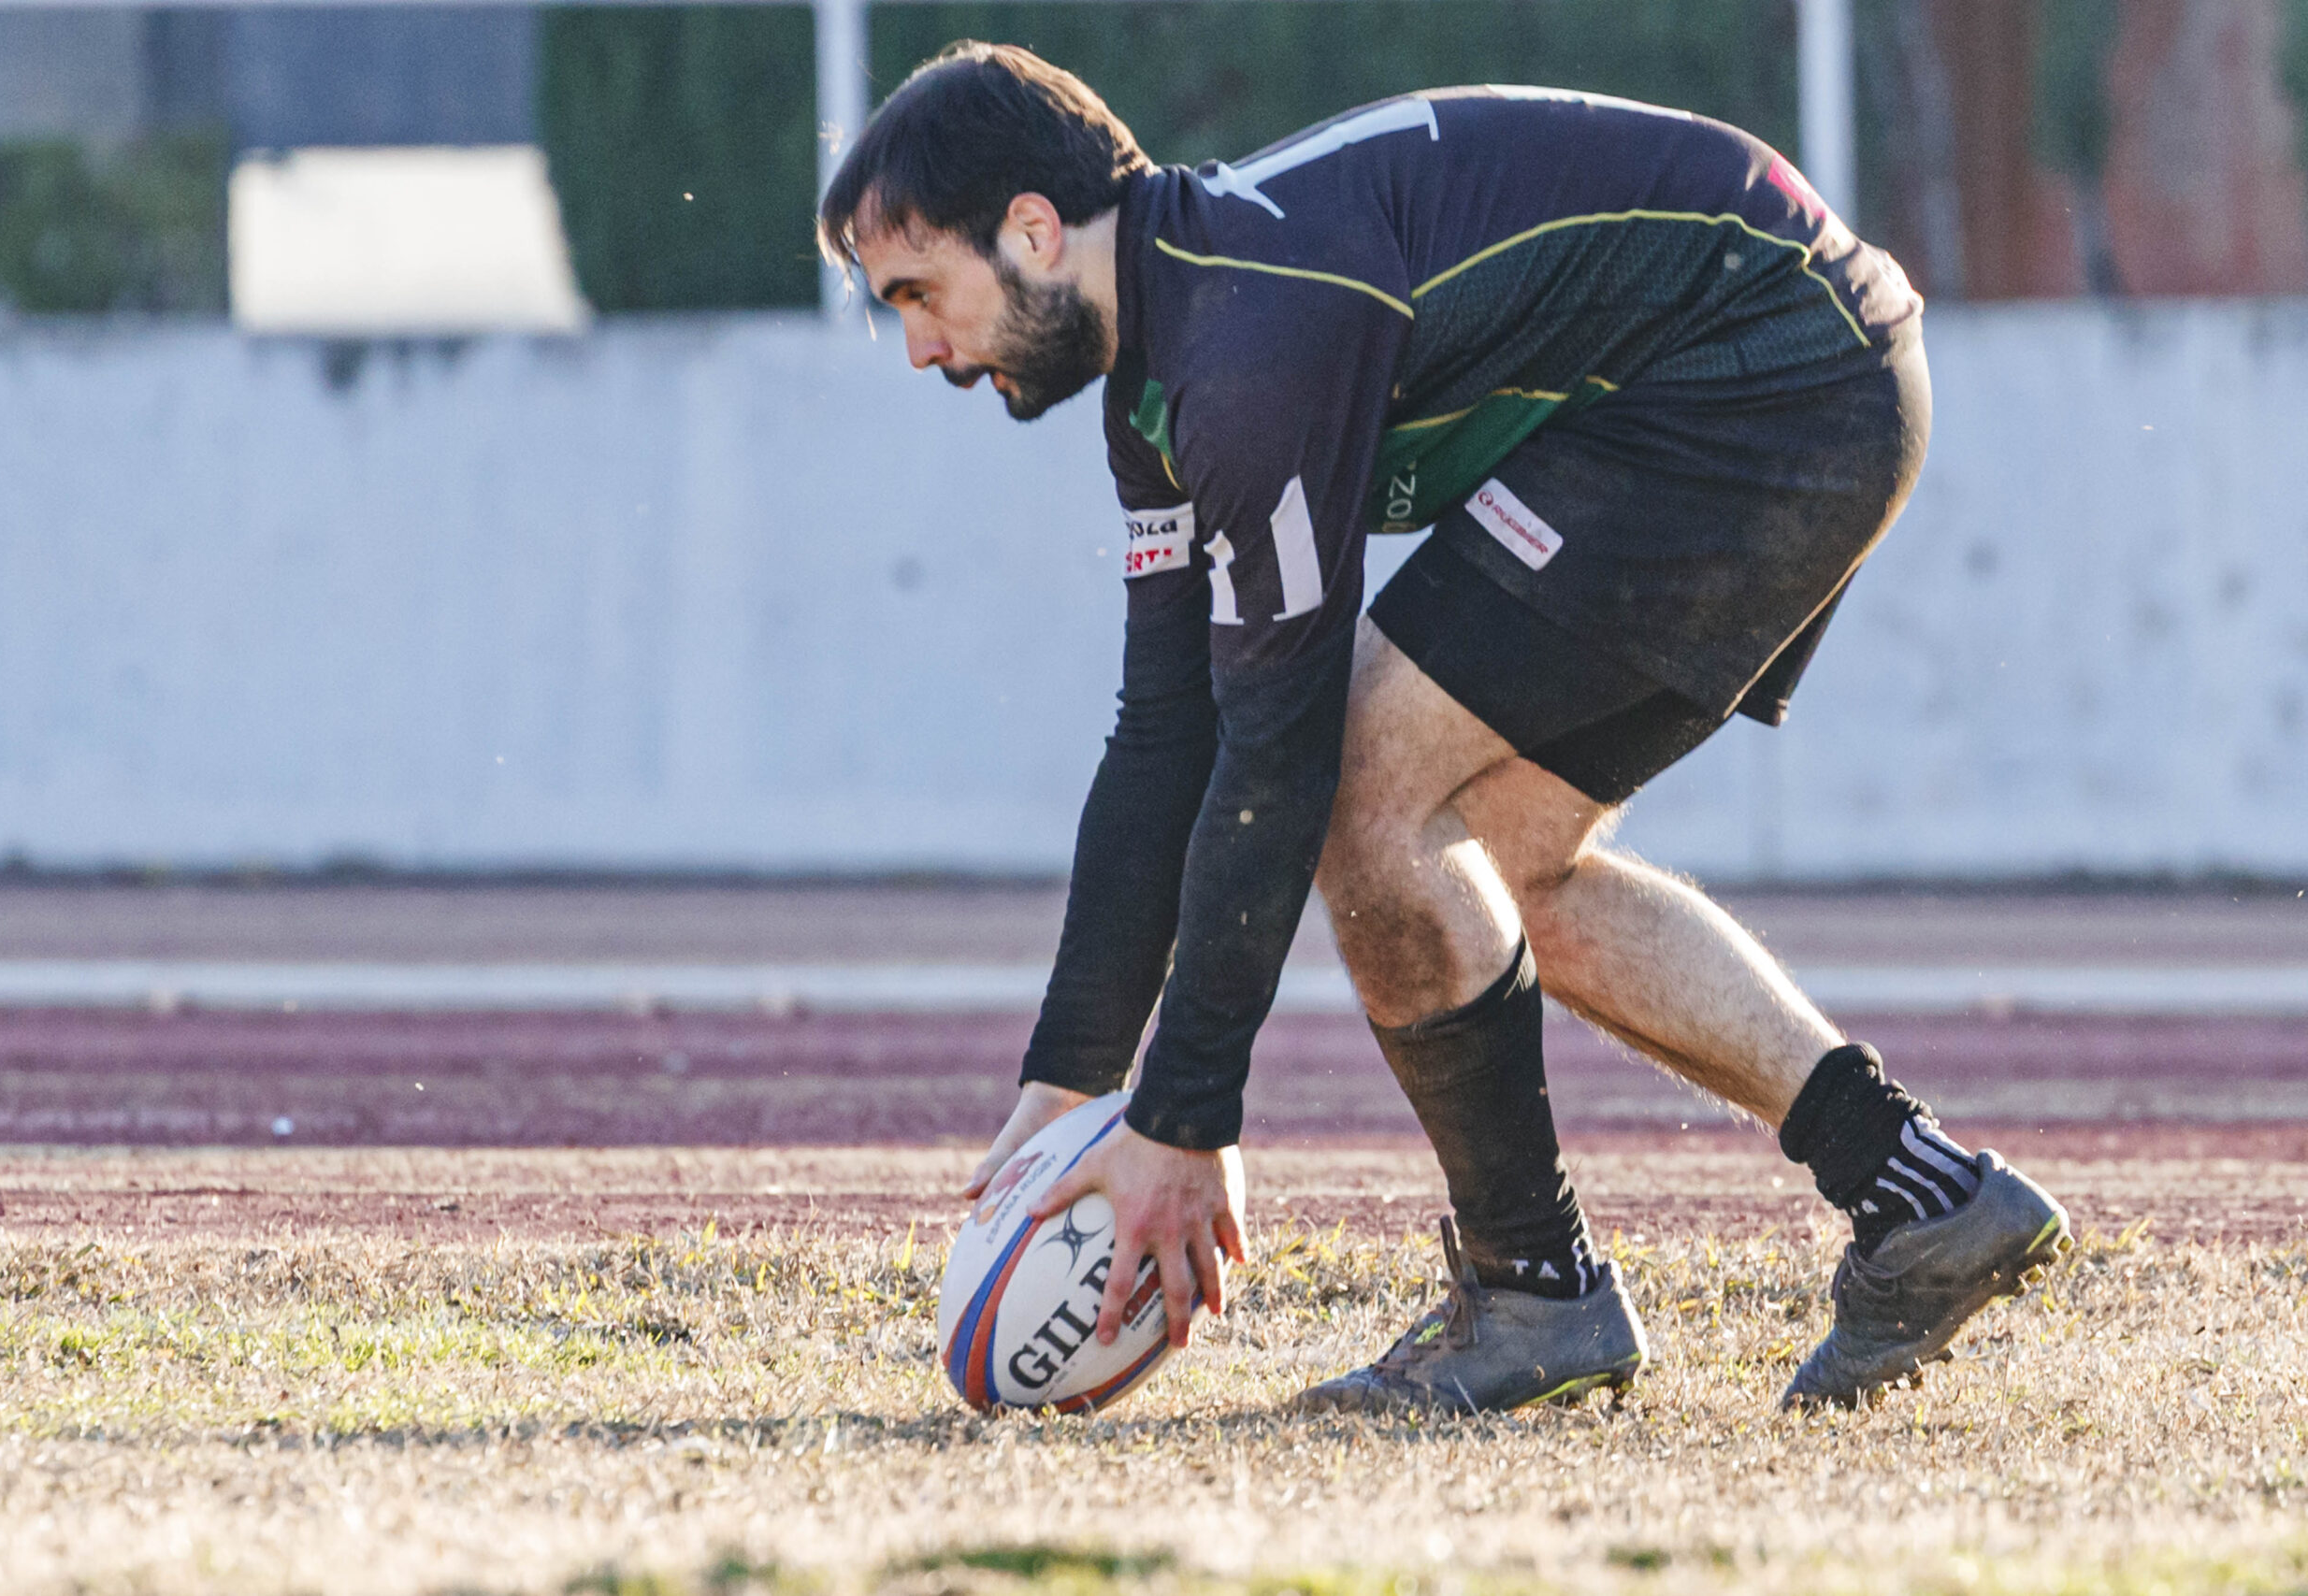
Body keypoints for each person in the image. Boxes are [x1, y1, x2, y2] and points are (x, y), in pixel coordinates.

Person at [818, 42, 2071, 1412]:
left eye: (917, 293)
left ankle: (1535, 1292)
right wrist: (1074, 1079)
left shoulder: (1248, 346)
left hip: (1765, 376)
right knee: (1500, 858)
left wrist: (1184, 1116)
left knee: (1367, 787)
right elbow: (1165, 734)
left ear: (1034, 231)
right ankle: (1920, 1193)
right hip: (1783, 367)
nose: (921, 344)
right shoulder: (1169, 364)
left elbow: (1277, 752)